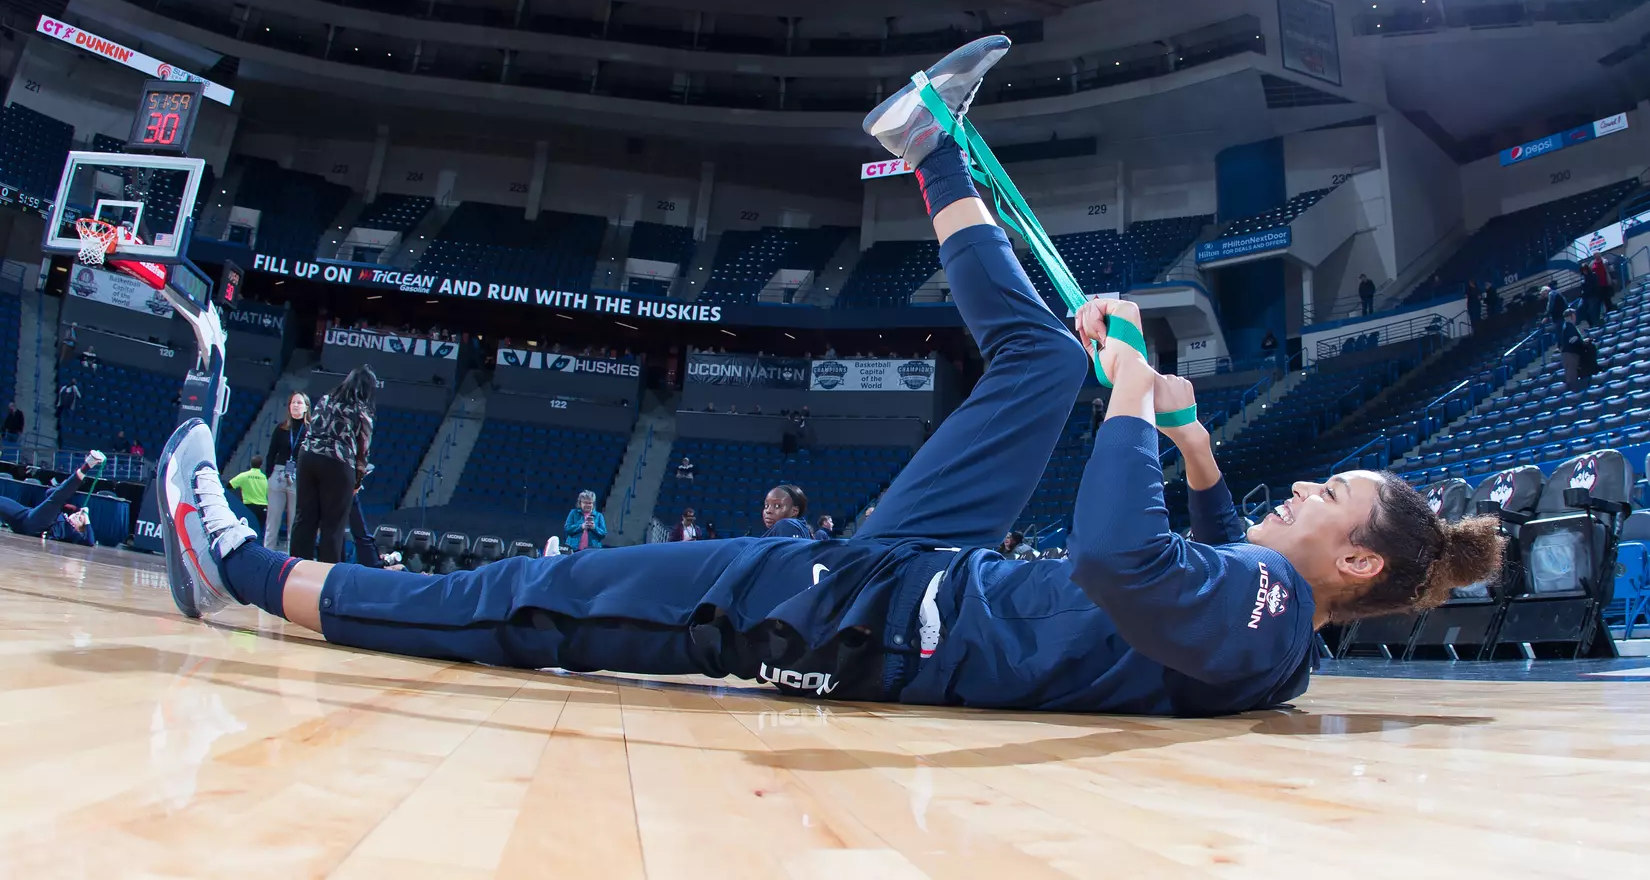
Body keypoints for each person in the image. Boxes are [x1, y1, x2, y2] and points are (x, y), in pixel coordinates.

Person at [156, 35, 1504, 716]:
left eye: (1331, 489)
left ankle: (255, 575)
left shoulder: (1261, 607)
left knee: (537, 599)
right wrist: (1196, 446)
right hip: (929, 577)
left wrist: (1141, 382)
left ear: (1358, 567)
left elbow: (1115, 557)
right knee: (1035, 354)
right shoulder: (1277, 648)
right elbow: (1201, 558)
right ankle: (927, 141)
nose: (1305, 489)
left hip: (857, 623)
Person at [291, 366, 376, 563]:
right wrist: (357, 482)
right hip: (338, 462)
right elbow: (363, 453)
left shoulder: (325, 399)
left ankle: (293, 569)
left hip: (308, 457)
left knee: (304, 518)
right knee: (333, 525)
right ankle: (326, 576)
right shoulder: (362, 411)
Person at [0, 450, 104, 546]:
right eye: (78, 515)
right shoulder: (62, 513)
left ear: (79, 529)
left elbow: (90, 542)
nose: (77, 515)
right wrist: (74, 508)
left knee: (58, 498)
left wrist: (86, 516)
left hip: (37, 526)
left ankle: (87, 465)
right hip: (24, 517)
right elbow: (49, 493)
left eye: (80, 519)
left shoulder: (73, 534)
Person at [263, 392, 309, 548]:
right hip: (278, 475)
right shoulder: (281, 428)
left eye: (299, 402)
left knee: (294, 524)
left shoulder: (310, 431)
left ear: (306, 407)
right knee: (272, 521)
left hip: (299, 476)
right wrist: (269, 476)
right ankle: (267, 556)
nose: (295, 405)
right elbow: (271, 454)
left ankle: (291, 560)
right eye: (293, 402)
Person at [229, 455, 269, 527]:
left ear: (251, 464)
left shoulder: (244, 476)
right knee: (261, 529)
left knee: (248, 528)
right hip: (263, 507)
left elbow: (229, 485)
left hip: (249, 507)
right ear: (260, 465)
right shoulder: (264, 478)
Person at [1558, 309, 1589, 392]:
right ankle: (1573, 395)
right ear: (1572, 316)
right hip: (1571, 354)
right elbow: (1573, 340)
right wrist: (1582, 342)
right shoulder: (1569, 326)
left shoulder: (1565, 327)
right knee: (1572, 377)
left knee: (1570, 375)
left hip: (1567, 354)